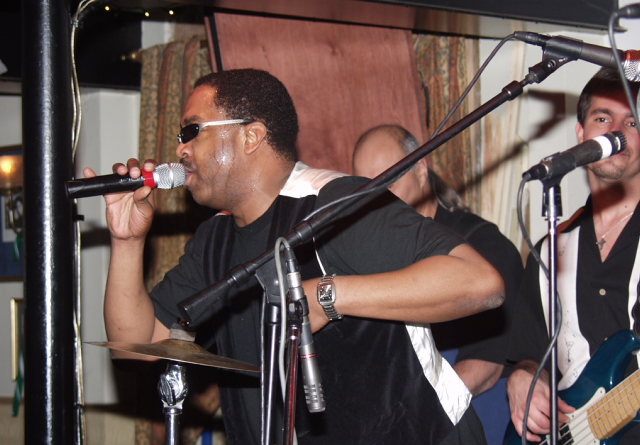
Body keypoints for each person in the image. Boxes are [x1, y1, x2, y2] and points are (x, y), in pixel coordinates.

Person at [89, 68, 505, 445]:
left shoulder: (334, 203)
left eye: (191, 131)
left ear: (251, 136)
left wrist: (327, 295)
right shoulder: (213, 241)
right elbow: (135, 348)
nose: (180, 149)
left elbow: (479, 282)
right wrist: (127, 241)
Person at [352, 124, 524, 444]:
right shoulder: (370, 258)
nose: (377, 199)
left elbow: (486, 365)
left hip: (475, 412)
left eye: (389, 182)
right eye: (368, 188)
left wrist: (415, 418)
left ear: (421, 170)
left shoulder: (483, 247)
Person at [506, 67, 640, 445]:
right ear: (581, 134)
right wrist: (523, 377)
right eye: (603, 118)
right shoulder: (550, 250)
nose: (616, 131)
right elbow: (531, 353)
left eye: (632, 122)